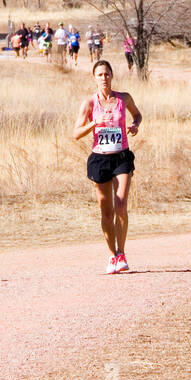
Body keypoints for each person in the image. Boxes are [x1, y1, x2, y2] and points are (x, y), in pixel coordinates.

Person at [73, 60, 143, 274]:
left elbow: (137, 115)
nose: (104, 78)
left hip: (121, 156)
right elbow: (76, 133)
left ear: (112, 76)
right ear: (94, 78)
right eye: (100, 74)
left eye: (107, 74)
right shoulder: (89, 103)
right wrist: (95, 123)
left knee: (121, 204)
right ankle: (112, 255)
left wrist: (135, 125)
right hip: (100, 158)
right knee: (106, 210)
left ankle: (121, 253)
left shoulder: (124, 98)